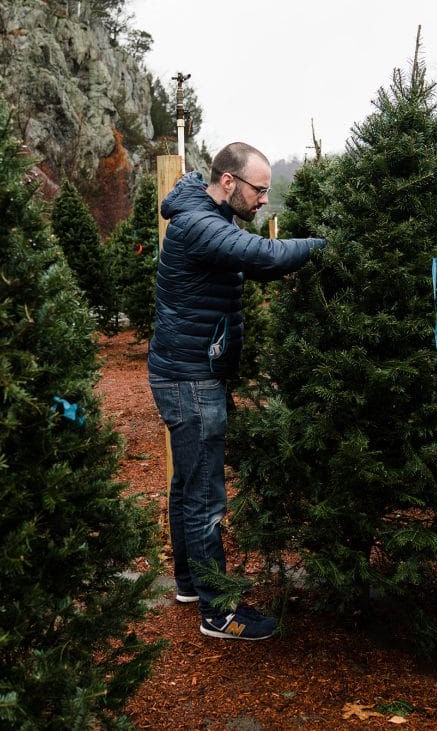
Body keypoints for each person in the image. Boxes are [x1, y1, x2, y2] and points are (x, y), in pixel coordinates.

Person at [148, 141, 325, 641]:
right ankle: (219, 612)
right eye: (260, 190)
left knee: (188, 485)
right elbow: (262, 256)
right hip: (189, 379)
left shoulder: (203, 215)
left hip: (184, 371)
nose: (265, 200)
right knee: (205, 495)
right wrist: (323, 246)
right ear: (229, 183)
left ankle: (189, 584)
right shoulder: (198, 224)